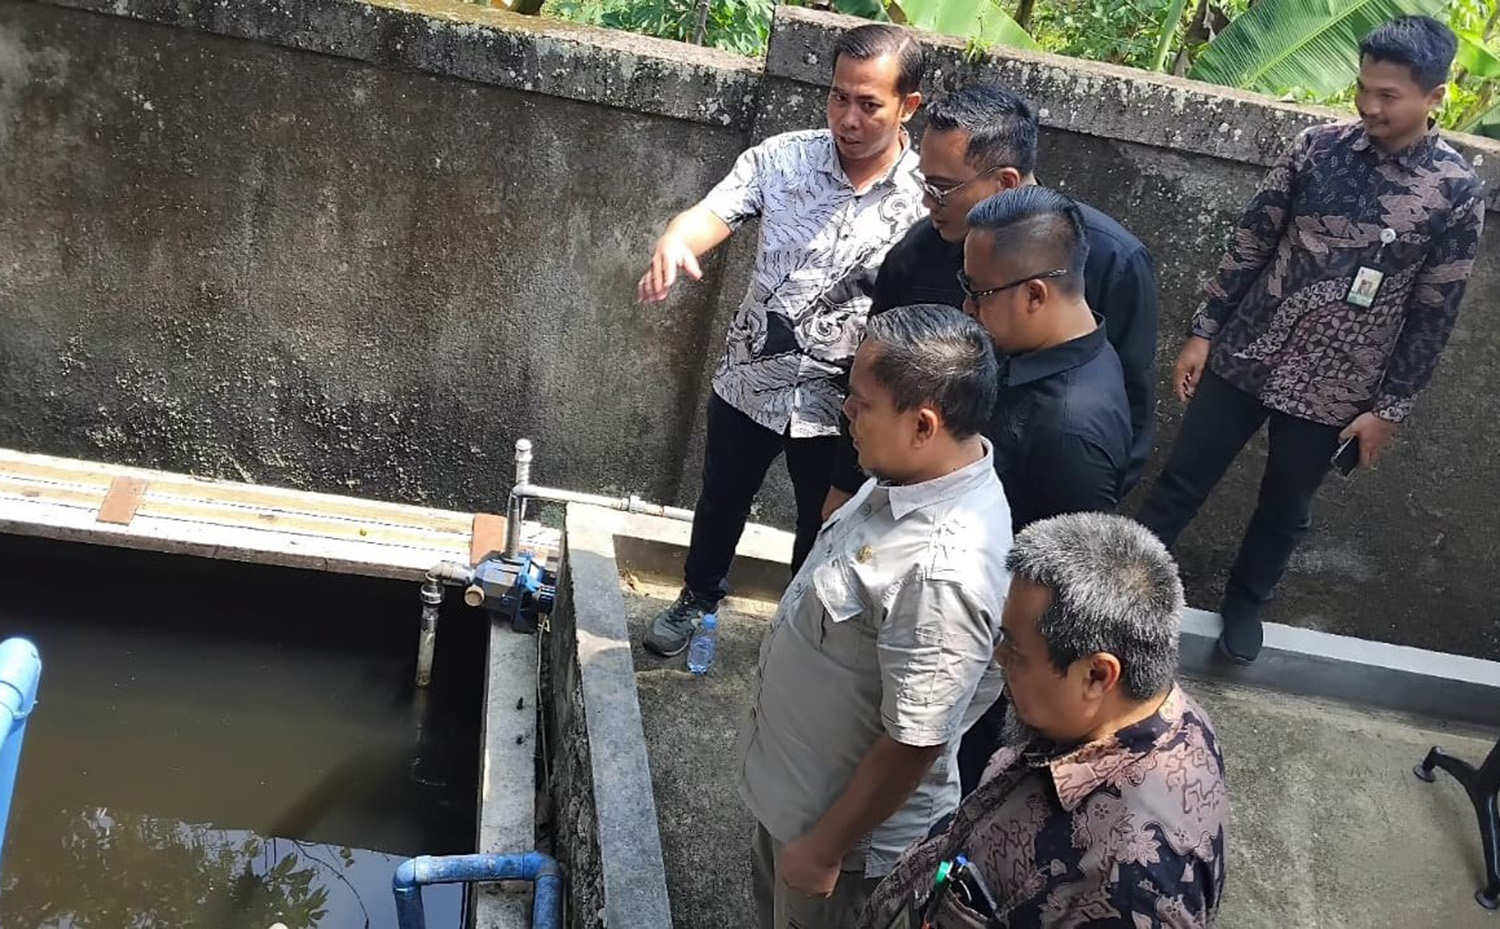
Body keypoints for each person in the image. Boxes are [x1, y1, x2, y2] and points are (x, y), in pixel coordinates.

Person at [1136, 15, 1486, 664]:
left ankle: (1245, 603)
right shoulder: (1315, 148)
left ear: (1435, 97)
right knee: (1182, 479)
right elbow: (1250, 243)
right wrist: (1204, 331)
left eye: (1390, 95)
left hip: (1339, 384)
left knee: (1285, 505)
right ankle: (1118, 585)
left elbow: (1435, 311)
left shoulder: (1456, 191)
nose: (1370, 105)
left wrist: (1388, 410)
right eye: (1364, 89)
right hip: (1246, 353)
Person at [638, 24, 929, 657]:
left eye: (868, 104)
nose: (847, 118)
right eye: (837, 98)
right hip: (750, 380)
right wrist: (675, 240)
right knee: (720, 502)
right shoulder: (782, 158)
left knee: (822, 524)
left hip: (846, 408)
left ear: (909, 106)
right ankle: (697, 595)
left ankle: (797, 633)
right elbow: (712, 213)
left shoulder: (927, 201)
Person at [739, 304, 1013, 929]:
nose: (846, 413)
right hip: (796, 797)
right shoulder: (902, 475)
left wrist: (826, 847)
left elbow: (916, 739)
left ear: (923, 423)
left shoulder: (945, 569)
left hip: (842, 850)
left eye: (861, 403)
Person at [859, 512, 1228, 929]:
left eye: (1016, 653)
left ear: (1097, 675)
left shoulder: (1135, 883)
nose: (999, 659)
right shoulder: (1150, 713)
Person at [825, 84, 1159, 518]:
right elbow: (873, 372)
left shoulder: (1113, 261)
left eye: (942, 188)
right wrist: (846, 482)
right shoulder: (920, 250)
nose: (927, 203)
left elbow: (1127, 419)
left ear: (1004, 182)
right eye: (924, 183)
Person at [952, 185, 1134, 793]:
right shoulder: (1034, 349)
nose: (970, 311)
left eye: (978, 295)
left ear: (1035, 294)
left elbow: (1064, 589)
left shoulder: (1070, 427)